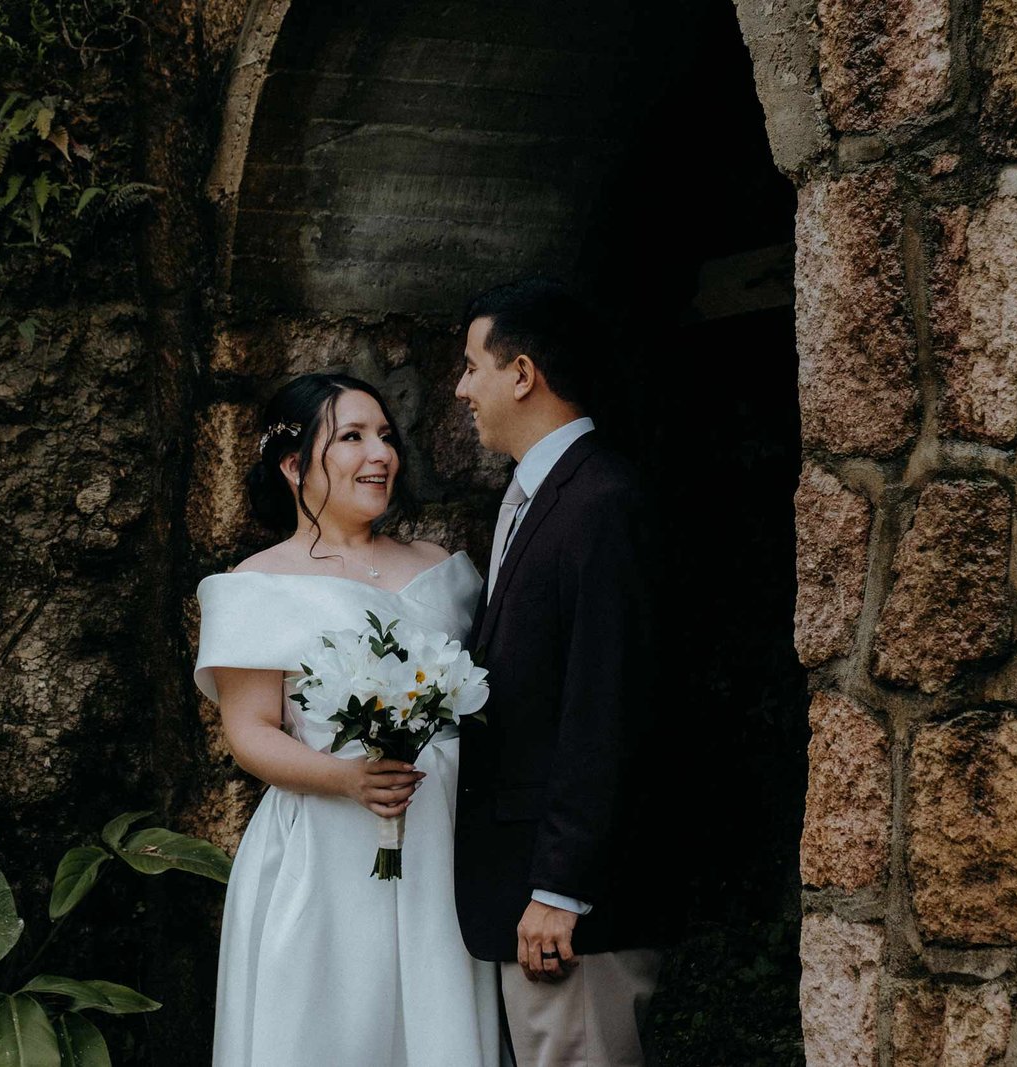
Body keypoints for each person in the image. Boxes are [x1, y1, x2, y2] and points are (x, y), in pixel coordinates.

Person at [194, 373, 507, 1067]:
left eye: (386, 436)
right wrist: (348, 779)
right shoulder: (256, 587)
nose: (381, 454)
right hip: (325, 849)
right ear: (293, 464)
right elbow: (250, 731)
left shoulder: (442, 571)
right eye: (352, 437)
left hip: (441, 841)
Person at [452, 278, 671, 1067]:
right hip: (522, 893)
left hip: (570, 910)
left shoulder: (601, 500)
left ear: (522, 373)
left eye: (471, 366)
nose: (461, 389)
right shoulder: (533, 496)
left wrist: (559, 888)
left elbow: (606, 702)